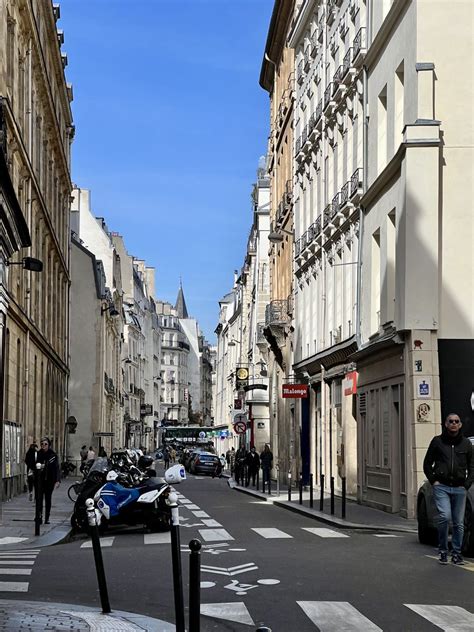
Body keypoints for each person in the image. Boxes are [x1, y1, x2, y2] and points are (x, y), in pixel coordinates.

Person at [423, 412, 474, 565]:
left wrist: (466, 485)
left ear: (460, 425)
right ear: (446, 424)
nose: (453, 423)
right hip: (442, 487)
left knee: (459, 523)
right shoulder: (437, 442)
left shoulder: (466, 444)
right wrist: (434, 481)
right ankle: (443, 550)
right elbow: (427, 464)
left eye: (456, 421)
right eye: (450, 421)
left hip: (459, 488)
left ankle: (456, 554)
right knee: (445, 517)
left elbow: (472, 467)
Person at [36, 437, 60, 524]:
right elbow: (33, 464)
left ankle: (47, 518)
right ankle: (39, 516)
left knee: (48, 499)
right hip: (39, 480)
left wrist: (57, 480)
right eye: (42, 444)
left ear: (48, 445)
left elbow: (57, 468)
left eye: (45, 444)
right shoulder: (38, 454)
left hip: (50, 480)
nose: (43, 445)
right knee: (39, 499)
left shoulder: (53, 455)